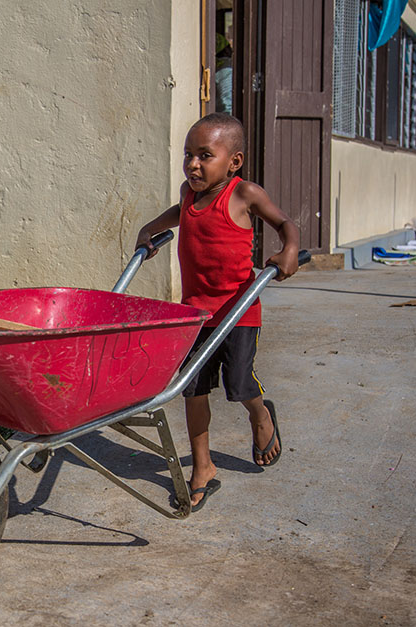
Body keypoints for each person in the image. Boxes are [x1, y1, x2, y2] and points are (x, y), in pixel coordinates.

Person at [134, 113, 299, 511]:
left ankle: (260, 416)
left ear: (234, 162)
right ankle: (203, 467)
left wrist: (289, 250)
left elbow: (285, 223)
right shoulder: (188, 194)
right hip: (196, 314)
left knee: (239, 383)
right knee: (193, 389)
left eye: (205, 155)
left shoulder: (244, 195)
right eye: (189, 154)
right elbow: (179, 212)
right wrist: (150, 228)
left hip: (238, 311)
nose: (193, 163)